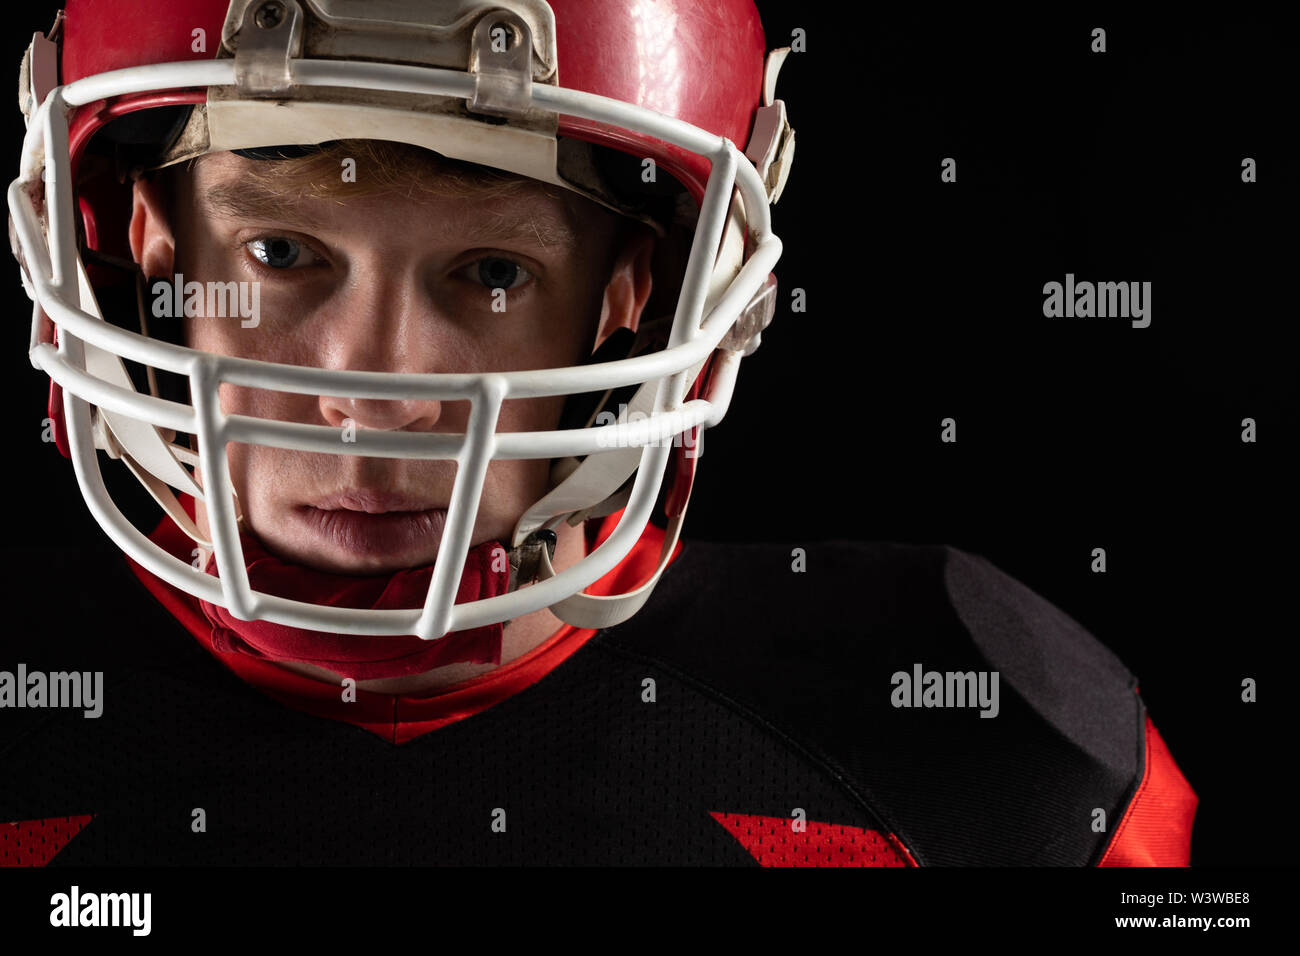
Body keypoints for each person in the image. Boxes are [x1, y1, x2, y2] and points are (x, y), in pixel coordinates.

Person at [2, 0, 1194, 866]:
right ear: (152, 242)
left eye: (490, 270)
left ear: (638, 285)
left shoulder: (984, 741)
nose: (375, 389)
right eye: (281, 253)